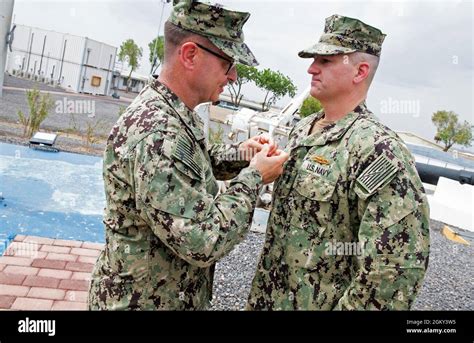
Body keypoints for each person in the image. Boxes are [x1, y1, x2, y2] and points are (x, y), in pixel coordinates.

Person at [88, 0, 288, 310]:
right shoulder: (158, 133)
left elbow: (196, 164)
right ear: (190, 55)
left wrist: (243, 155)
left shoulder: (175, 114)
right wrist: (254, 177)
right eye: (228, 63)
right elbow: (203, 241)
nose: (233, 75)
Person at [247, 14, 430, 310]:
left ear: (360, 71)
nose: (311, 68)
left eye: (325, 61)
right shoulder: (302, 129)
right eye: (314, 60)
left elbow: (393, 271)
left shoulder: (378, 151)